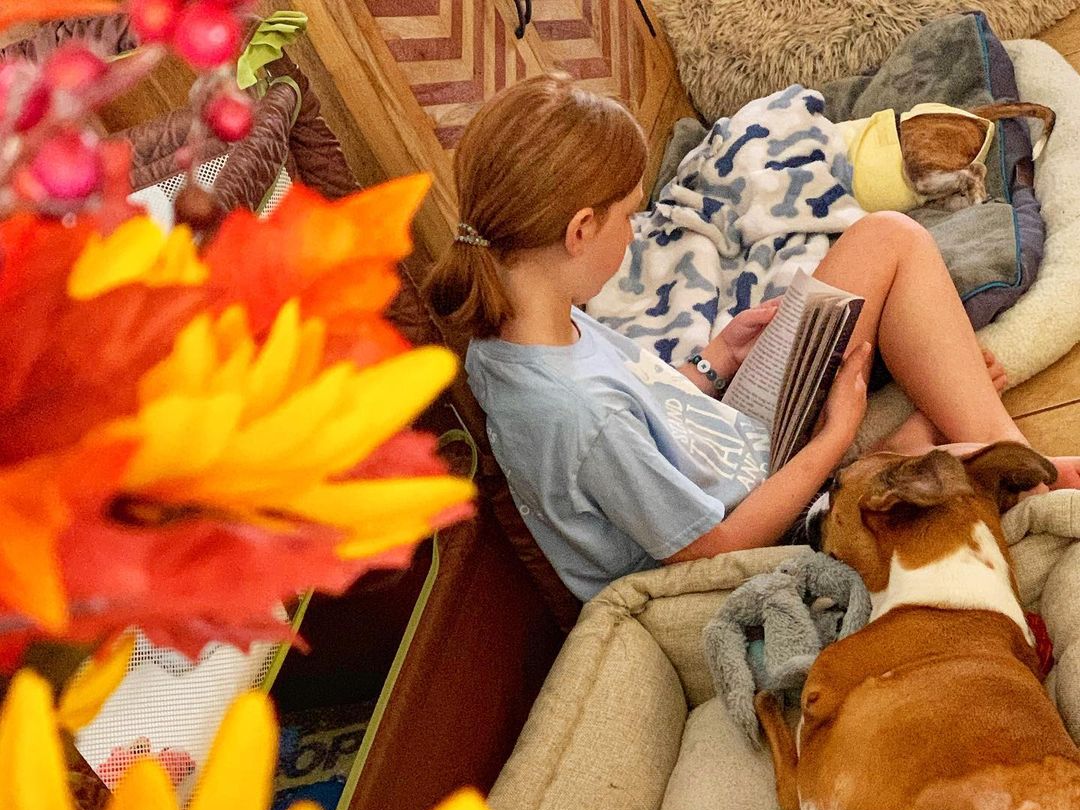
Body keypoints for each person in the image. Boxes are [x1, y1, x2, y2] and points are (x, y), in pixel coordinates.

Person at [424, 73, 1079, 602]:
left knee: (887, 239)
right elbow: (715, 548)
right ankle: (986, 473)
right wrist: (828, 440)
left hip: (723, 443)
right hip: (745, 536)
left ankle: (981, 449)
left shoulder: (518, 323)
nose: (637, 231)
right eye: (631, 214)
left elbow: (641, 405)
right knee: (915, 399)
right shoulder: (573, 410)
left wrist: (719, 358)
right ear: (579, 231)